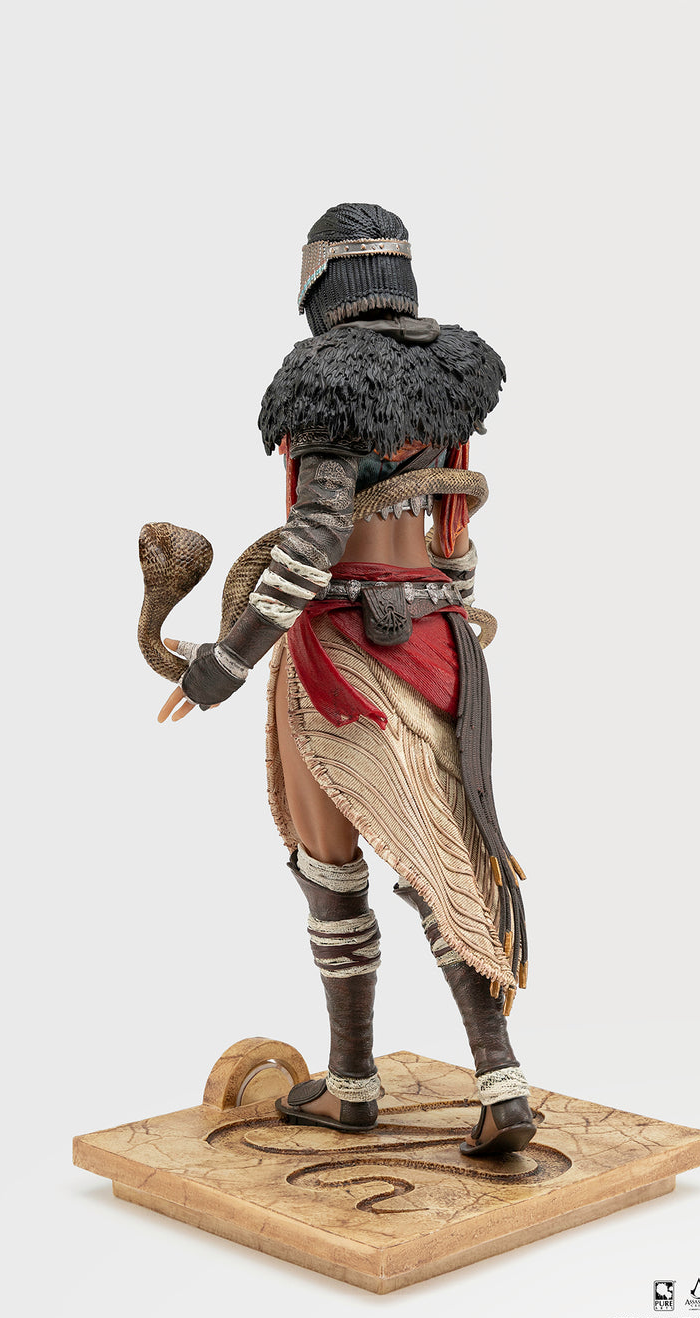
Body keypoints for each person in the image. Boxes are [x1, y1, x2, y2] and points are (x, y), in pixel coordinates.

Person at [158, 203, 535, 1156]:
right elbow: (454, 535)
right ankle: (501, 1082)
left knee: (332, 867)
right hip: (443, 647)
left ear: (320, 279)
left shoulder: (324, 378)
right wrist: (450, 618)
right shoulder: (454, 372)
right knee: (450, 857)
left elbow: (315, 539)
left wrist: (224, 664)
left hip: (344, 651)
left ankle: (355, 1083)